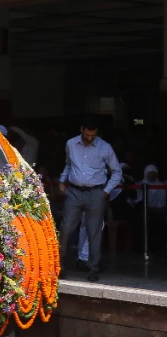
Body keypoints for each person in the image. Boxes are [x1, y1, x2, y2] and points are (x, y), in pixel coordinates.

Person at [58, 117, 122, 281]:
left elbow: (117, 172)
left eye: (93, 135)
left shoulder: (104, 147)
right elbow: (69, 164)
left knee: (94, 232)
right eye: (87, 134)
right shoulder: (71, 144)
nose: (90, 138)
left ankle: (93, 268)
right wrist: (61, 180)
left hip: (96, 193)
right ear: (82, 129)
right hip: (74, 191)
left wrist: (106, 192)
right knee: (66, 229)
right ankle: (59, 265)